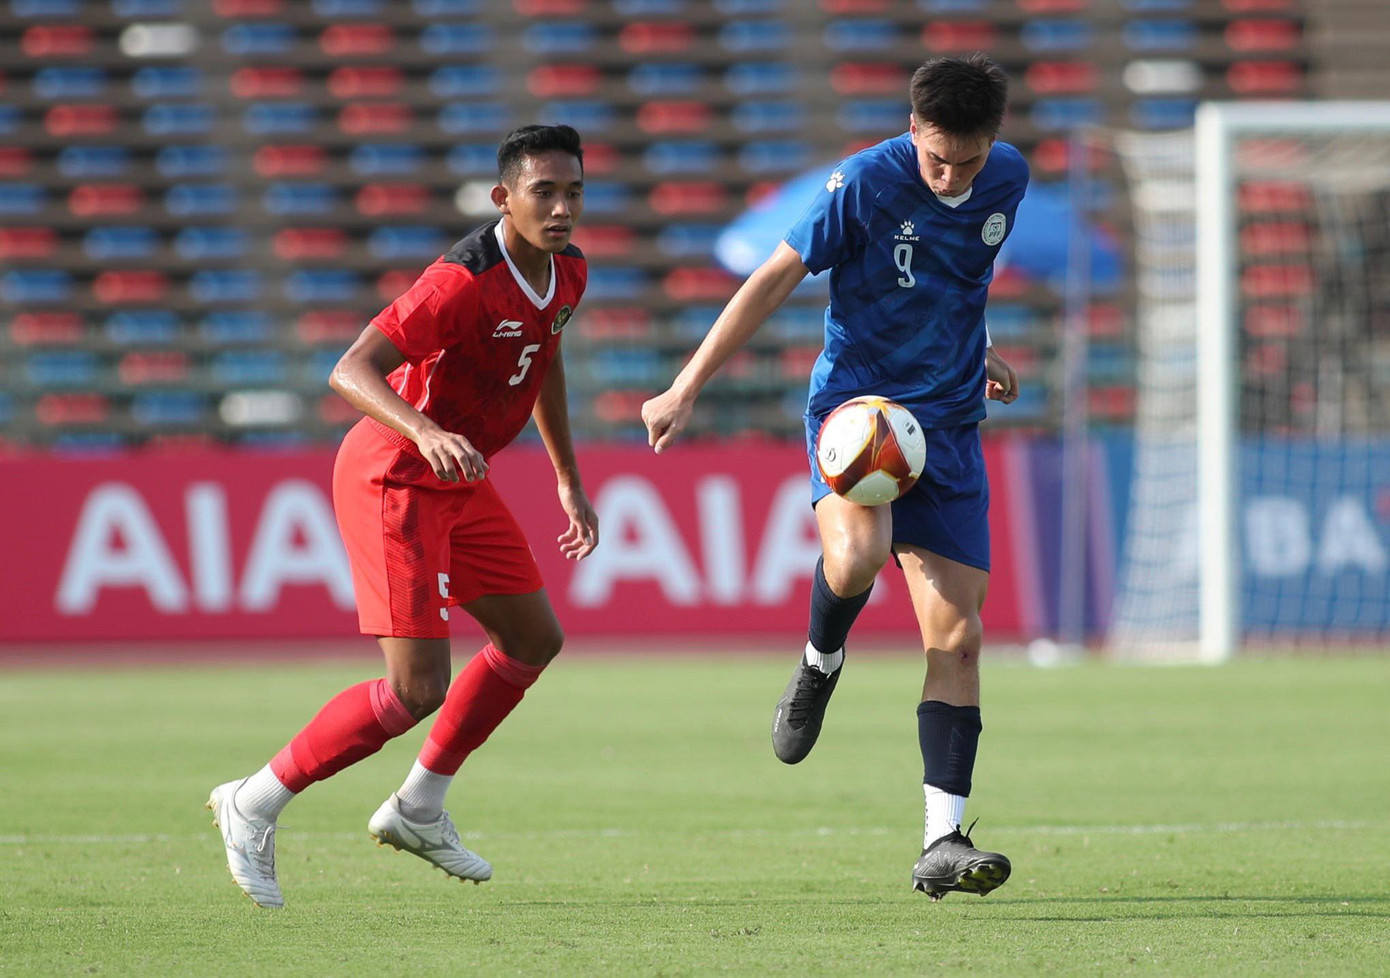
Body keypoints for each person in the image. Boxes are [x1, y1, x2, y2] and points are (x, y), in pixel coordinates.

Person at [642, 54, 1027, 900]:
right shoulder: (862, 183)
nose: (954, 176)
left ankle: (941, 841)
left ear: (993, 142)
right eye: (937, 160)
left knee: (957, 638)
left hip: (951, 427)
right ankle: (821, 660)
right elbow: (773, 280)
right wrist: (686, 385)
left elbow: (956, 278)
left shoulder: (1008, 180)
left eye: (969, 160)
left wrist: (978, 348)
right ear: (912, 129)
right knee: (855, 560)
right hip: (861, 418)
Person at [208, 124, 598, 909]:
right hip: (394, 476)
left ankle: (419, 807)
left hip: (461, 478)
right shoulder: (459, 280)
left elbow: (544, 361)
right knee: (415, 689)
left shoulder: (569, 273)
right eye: (543, 192)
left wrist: (567, 476)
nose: (561, 208)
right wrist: (424, 428)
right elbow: (349, 368)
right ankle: (252, 801)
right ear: (504, 199)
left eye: (574, 192)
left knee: (533, 638)